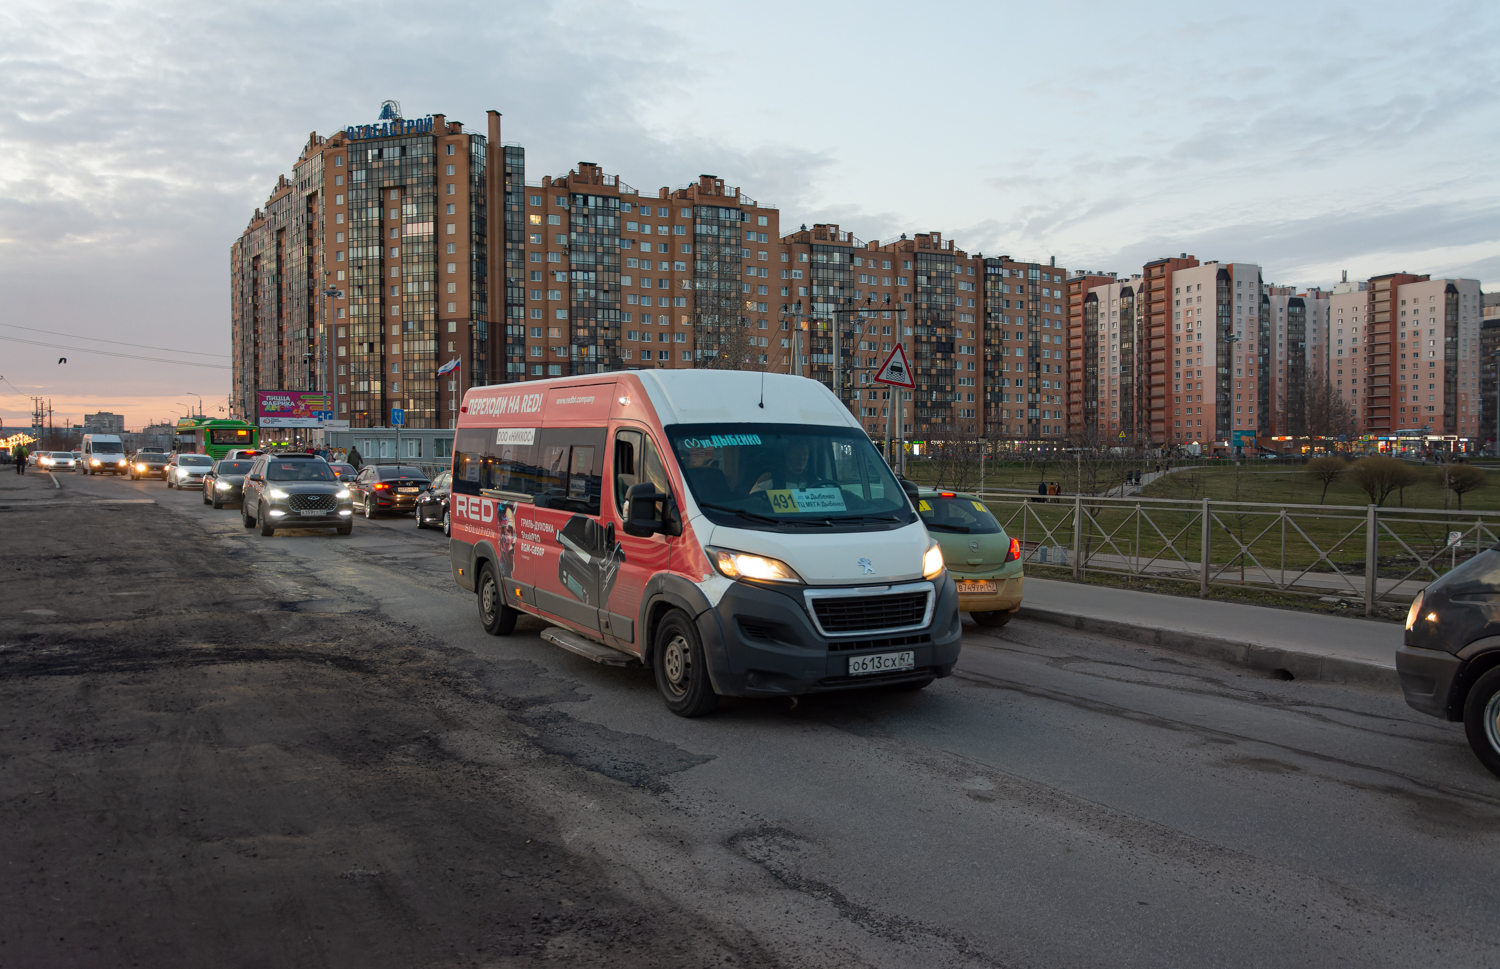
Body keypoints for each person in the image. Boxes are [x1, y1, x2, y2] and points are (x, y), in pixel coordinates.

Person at [750, 438, 815, 494]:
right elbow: (753, 503)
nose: (801, 458)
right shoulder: (771, 478)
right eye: (797, 454)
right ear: (788, 454)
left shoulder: (815, 481)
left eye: (805, 454)